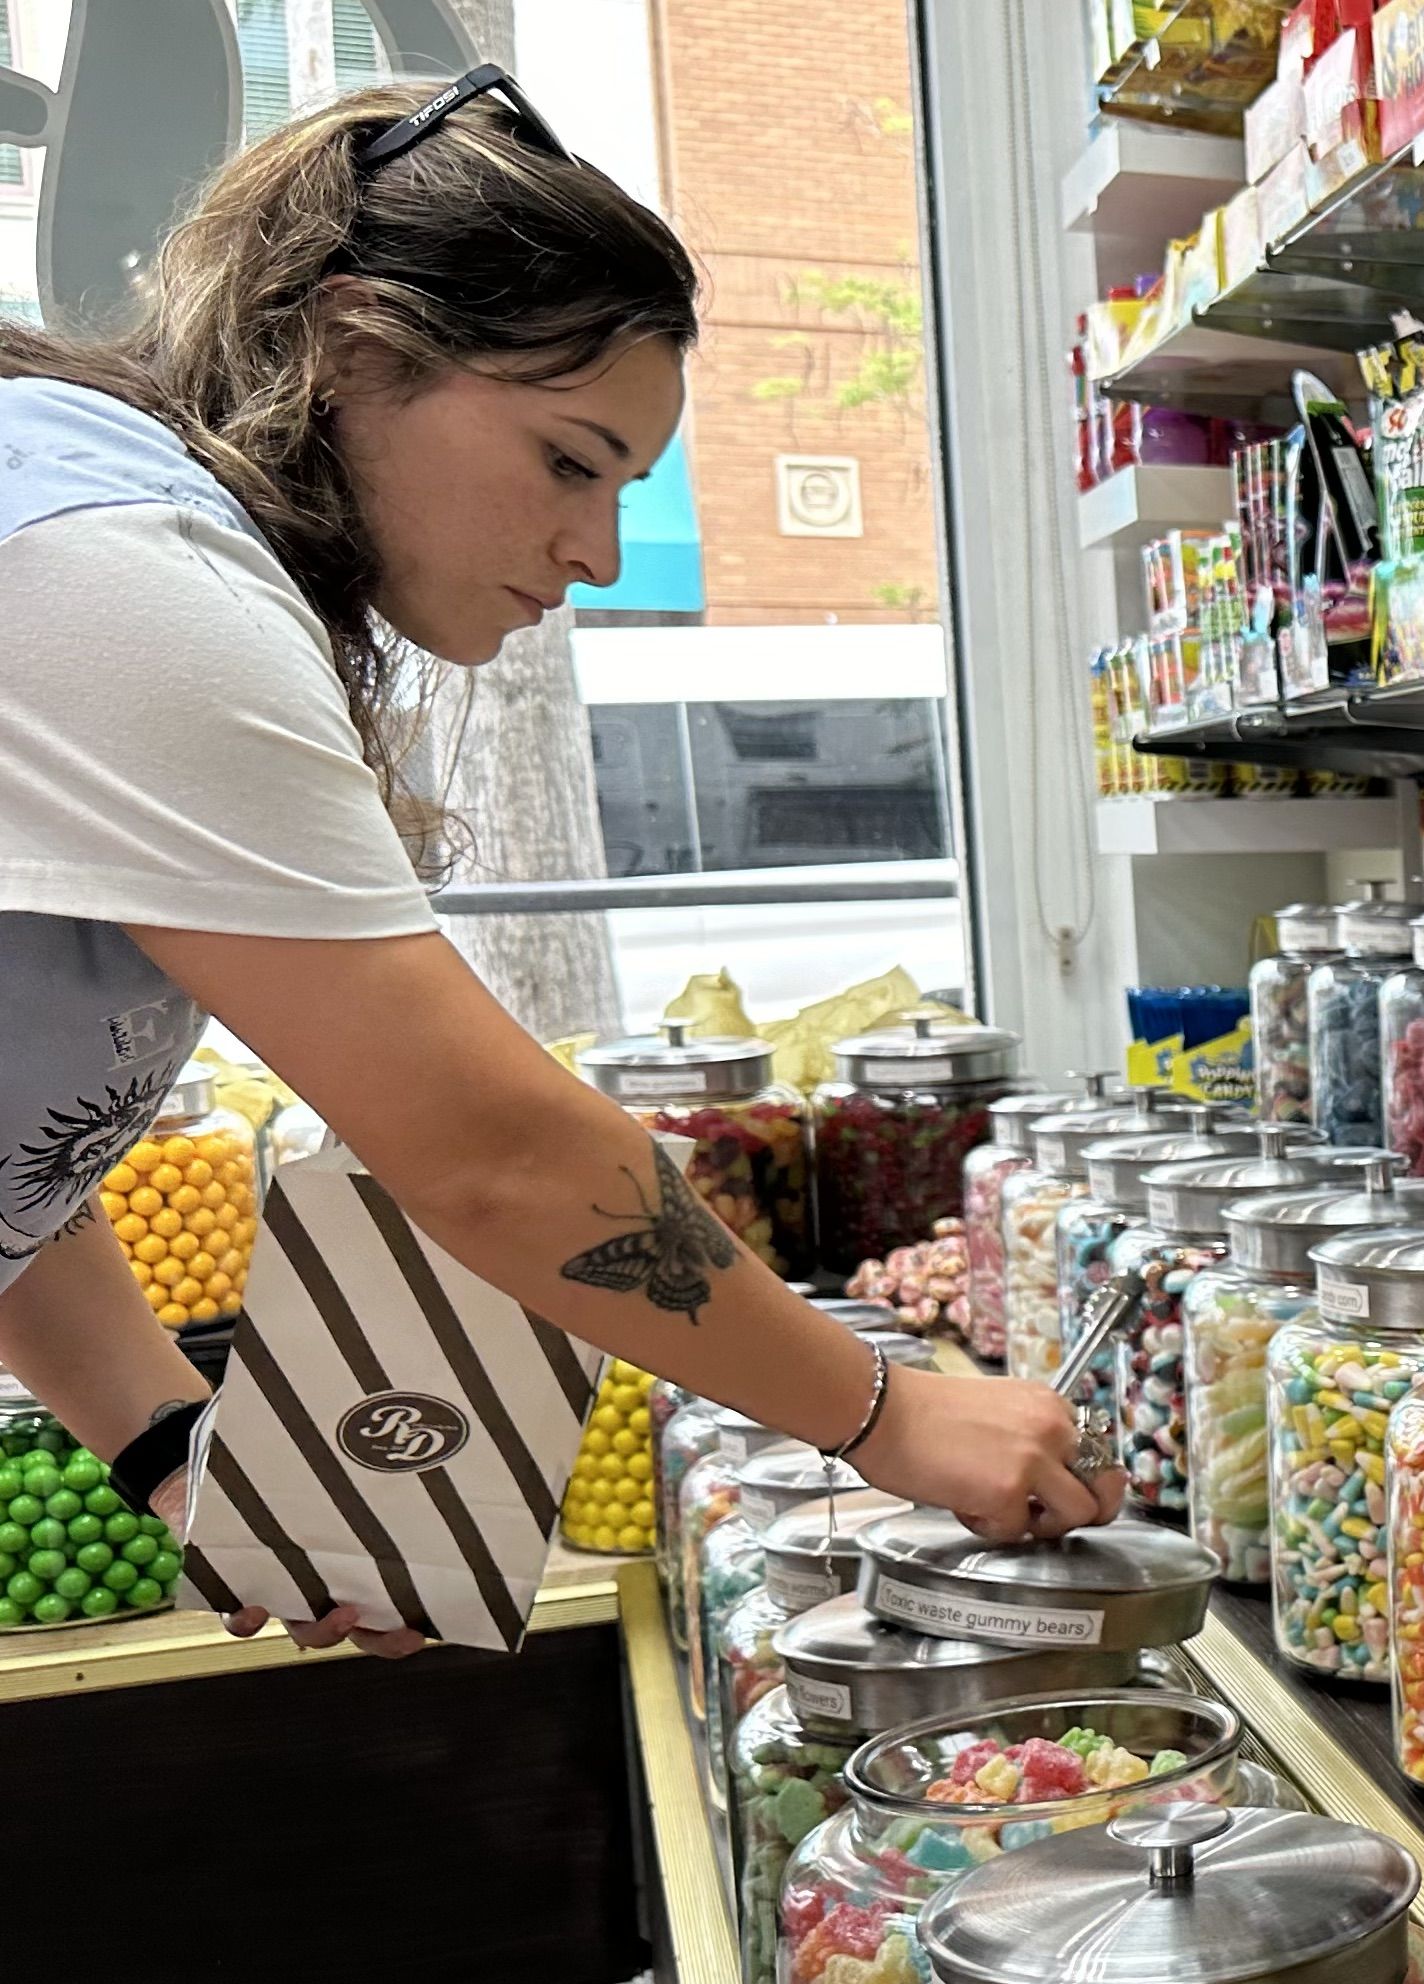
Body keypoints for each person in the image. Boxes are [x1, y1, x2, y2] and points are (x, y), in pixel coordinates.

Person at [0, 71, 1116, 1655]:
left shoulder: (116, 530)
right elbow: (492, 1151)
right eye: (569, 460)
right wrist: (886, 1416)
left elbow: (19, 1175)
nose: (596, 553)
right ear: (349, 342)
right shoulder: (122, 570)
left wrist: (185, 1454)